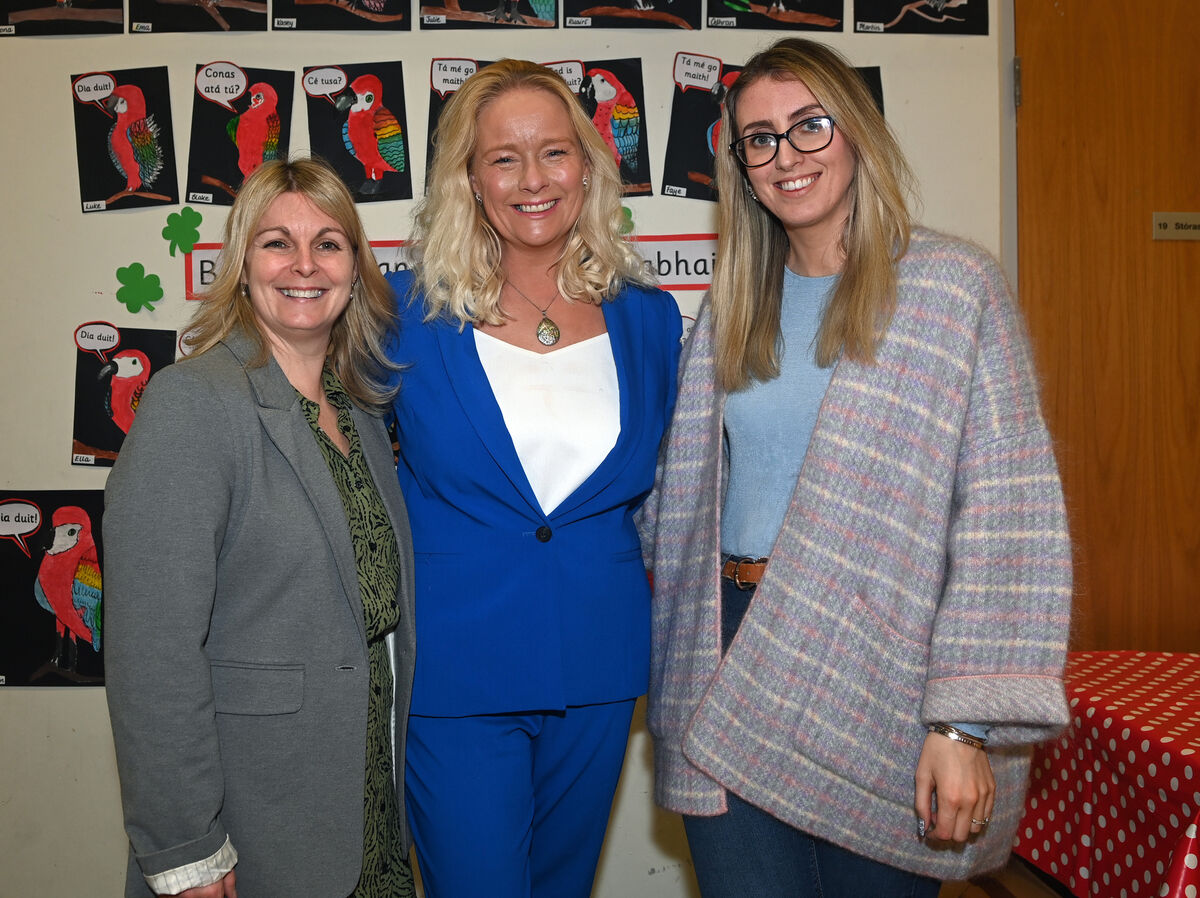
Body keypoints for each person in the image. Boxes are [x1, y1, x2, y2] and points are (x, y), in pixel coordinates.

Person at [642, 38, 1073, 895]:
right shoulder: (732, 304)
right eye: (759, 139)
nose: (786, 155)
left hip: (884, 669)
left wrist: (963, 724)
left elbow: (1008, 517)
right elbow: (677, 502)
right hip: (730, 649)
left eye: (810, 125)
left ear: (857, 133)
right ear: (741, 168)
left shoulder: (954, 289)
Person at [386, 59, 681, 898]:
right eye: (503, 158)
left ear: (587, 165)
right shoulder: (400, 313)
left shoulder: (649, 317)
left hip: (597, 665)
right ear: (470, 180)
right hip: (456, 669)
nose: (532, 179)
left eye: (553, 152)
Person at [104, 157, 416, 898]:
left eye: (328, 243)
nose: (304, 265)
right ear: (243, 267)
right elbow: (152, 651)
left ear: (354, 270)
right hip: (254, 821)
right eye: (277, 243)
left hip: (369, 809)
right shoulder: (193, 402)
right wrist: (187, 848)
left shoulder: (362, 413)